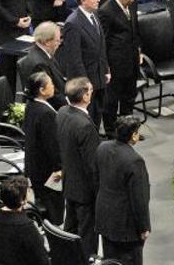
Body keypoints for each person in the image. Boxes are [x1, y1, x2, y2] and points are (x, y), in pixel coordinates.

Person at [95, 116, 150, 265]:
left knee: (110, 260)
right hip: (126, 226)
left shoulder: (102, 147)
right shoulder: (135, 160)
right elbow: (139, 198)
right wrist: (144, 227)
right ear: (133, 135)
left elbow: (97, 177)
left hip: (105, 217)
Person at [56, 77, 101, 261]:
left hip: (70, 183)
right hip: (85, 191)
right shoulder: (84, 126)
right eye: (90, 90)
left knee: (70, 228)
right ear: (84, 96)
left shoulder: (62, 112)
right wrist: (99, 191)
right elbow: (92, 165)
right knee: (87, 234)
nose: (92, 93)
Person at [98, 0, 142, 139]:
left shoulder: (132, 3)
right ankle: (111, 132)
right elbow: (103, 42)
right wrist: (106, 66)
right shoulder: (106, 11)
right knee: (111, 100)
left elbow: (135, 30)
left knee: (129, 97)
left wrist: (139, 51)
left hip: (131, 59)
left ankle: (128, 130)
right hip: (115, 63)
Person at [23, 72, 64, 224]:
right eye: (51, 84)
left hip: (35, 166)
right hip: (46, 170)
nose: (54, 86)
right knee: (53, 205)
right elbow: (51, 145)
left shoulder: (32, 104)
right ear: (41, 90)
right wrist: (59, 168)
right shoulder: (46, 113)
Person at [0, 176, 49, 265]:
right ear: (22, 201)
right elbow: (42, 260)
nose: (31, 191)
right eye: (28, 190)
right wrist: (39, 238)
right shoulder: (26, 226)